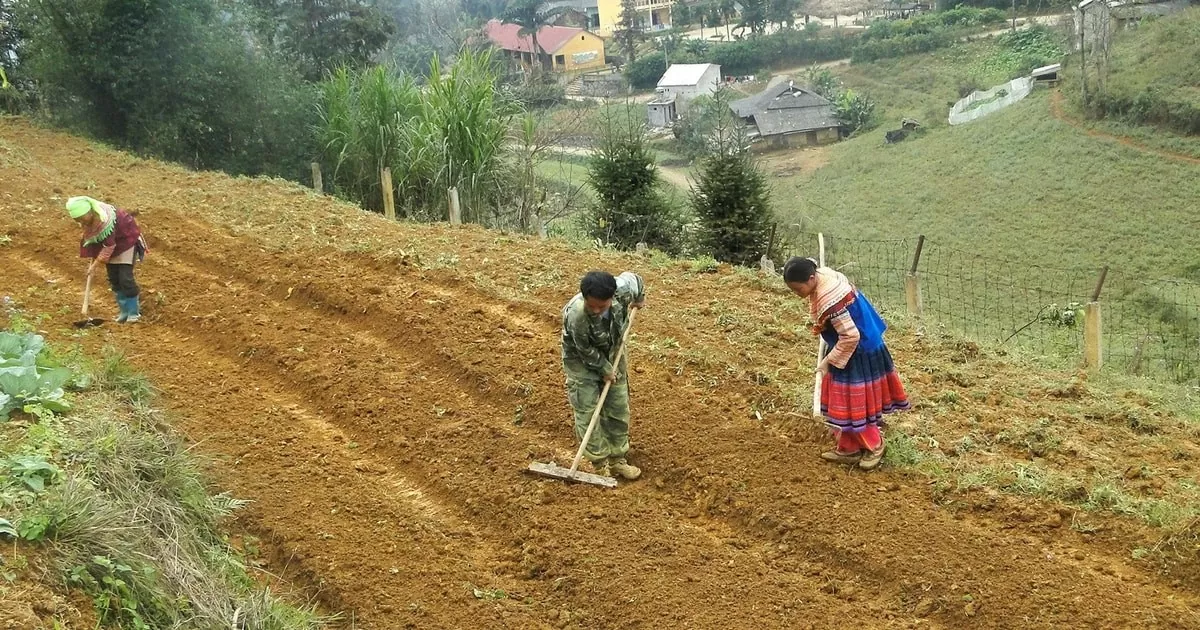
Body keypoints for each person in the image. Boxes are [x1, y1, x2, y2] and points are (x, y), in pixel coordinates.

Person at [783, 257, 909, 470]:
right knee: (841, 398)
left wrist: (828, 362)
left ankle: (874, 445)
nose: (798, 294)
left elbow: (850, 336)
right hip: (856, 342)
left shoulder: (829, 300)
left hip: (859, 350)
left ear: (812, 278)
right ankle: (848, 447)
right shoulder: (825, 274)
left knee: (854, 403)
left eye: (798, 289)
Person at [561, 270, 646, 480]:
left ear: (612, 296)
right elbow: (585, 351)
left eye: (602, 305)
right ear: (584, 298)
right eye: (592, 306)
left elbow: (637, 280)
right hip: (581, 361)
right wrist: (606, 369)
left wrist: (639, 300)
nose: (597, 310)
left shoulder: (623, 288)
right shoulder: (576, 315)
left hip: (613, 351)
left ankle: (618, 459)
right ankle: (600, 464)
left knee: (618, 405)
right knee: (587, 409)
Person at [67, 196, 147, 323]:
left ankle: (133, 312)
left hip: (126, 241)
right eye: (78, 220)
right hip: (111, 246)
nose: (81, 222)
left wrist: (95, 265)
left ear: (90, 212)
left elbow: (109, 245)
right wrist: (94, 255)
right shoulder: (87, 223)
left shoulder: (105, 220)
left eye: (82, 219)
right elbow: (93, 241)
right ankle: (124, 312)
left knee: (125, 278)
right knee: (114, 279)